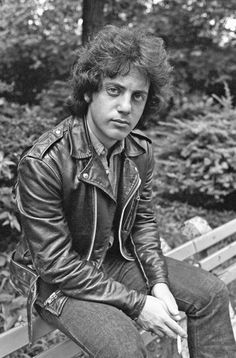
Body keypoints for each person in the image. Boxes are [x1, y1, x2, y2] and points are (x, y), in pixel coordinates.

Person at [11, 25, 236, 358]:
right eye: (114, 90)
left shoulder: (139, 151)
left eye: (137, 96)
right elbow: (56, 264)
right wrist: (139, 303)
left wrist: (158, 282)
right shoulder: (44, 162)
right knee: (123, 344)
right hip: (57, 283)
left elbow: (143, 224)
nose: (126, 106)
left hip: (113, 262)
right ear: (89, 91)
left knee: (211, 293)